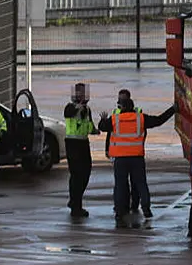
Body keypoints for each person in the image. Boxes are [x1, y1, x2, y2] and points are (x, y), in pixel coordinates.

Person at [98, 99, 176, 228]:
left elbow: (102, 127)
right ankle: (146, 209)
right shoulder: (141, 118)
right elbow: (159, 120)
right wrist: (172, 109)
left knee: (120, 185)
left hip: (120, 158)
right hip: (137, 157)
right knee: (141, 183)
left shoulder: (114, 119)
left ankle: (119, 211)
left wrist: (102, 120)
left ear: (121, 107)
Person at [107, 89, 145, 215]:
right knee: (122, 184)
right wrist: (108, 148)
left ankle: (133, 205)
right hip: (123, 153)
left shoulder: (138, 113)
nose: (119, 102)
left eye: (121, 100)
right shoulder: (115, 113)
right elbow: (109, 132)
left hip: (129, 153)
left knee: (133, 183)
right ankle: (121, 206)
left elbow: (142, 130)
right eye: (118, 99)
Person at [64, 94, 99, 219]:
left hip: (83, 142)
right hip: (72, 143)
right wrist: (78, 106)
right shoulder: (70, 107)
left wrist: (95, 130)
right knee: (76, 175)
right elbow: (68, 114)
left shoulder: (87, 109)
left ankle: (74, 201)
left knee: (85, 173)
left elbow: (88, 125)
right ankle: (76, 206)